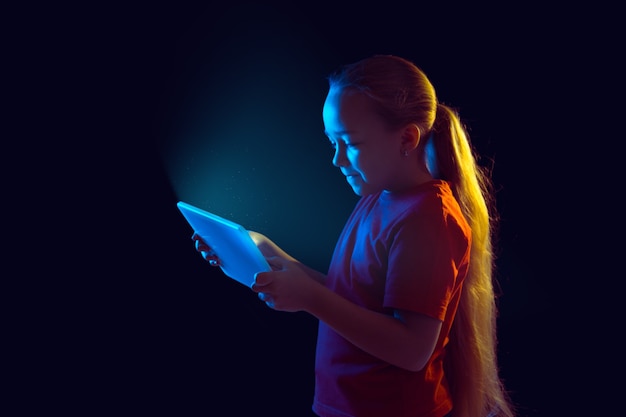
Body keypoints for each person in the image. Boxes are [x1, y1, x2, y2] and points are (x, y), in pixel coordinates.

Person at [192, 55, 515, 417]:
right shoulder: (379, 196)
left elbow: (412, 350)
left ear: (407, 137)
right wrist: (265, 251)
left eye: (351, 143)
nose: (337, 160)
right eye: (333, 142)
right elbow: (354, 298)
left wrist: (310, 298)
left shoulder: (430, 220)